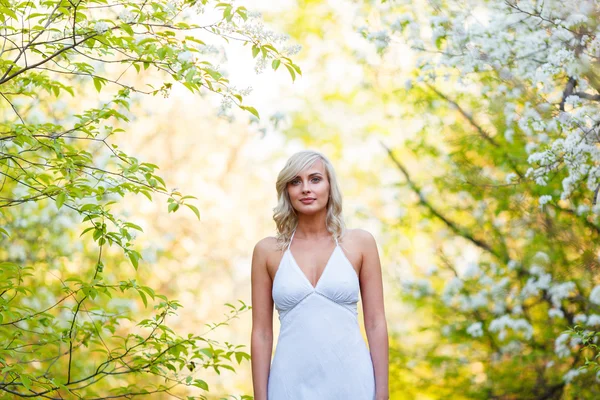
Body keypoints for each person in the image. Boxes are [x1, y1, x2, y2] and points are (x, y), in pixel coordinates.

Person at [250, 150, 389, 400]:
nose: (305, 188)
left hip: (354, 382)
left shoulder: (360, 243)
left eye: (315, 179)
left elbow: (376, 322)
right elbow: (261, 333)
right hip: (288, 385)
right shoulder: (267, 251)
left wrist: (382, 393)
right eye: (296, 181)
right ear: (287, 191)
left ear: (329, 186)